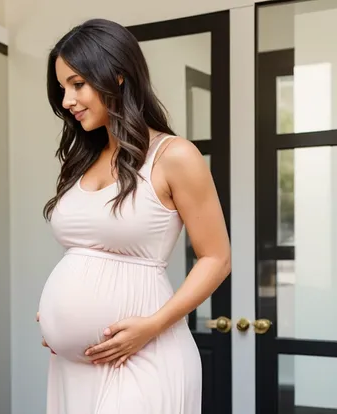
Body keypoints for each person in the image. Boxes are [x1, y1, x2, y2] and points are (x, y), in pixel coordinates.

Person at [36, 18, 231, 414]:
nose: (67, 101)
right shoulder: (84, 159)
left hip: (144, 355)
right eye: (62, 89)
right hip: (72, 366)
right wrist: (57, 318)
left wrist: (152, 326)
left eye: (77, 84)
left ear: (118, 75)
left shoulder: (174, 156)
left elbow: (217, 258)